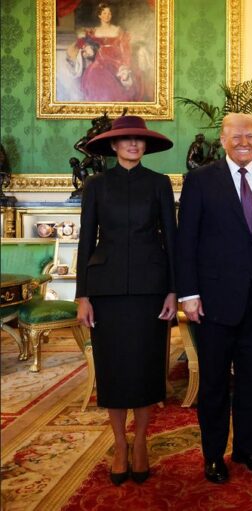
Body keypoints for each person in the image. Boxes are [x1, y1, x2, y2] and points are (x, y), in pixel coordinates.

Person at [176, 113, 252, 484]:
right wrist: (189, 295)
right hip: (213, 302)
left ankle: (248, 449)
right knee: (212, 385)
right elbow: (186, 242)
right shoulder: (200, 180)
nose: (245, 141)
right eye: (237, 135)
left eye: (251, 136)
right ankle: (214, 456)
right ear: (223, 139)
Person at [75, 115, 176, 486]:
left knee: (146, 369)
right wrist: (82, 295)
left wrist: (173, 289)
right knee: (115, 371)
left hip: (151, 289)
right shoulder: (96, 186)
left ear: (145, 146)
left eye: (139, 140)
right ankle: (120, 444)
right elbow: (86, 241)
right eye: (126, 140)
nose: (133, 145)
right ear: (114, 146)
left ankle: (141, 443)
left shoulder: (159, 184)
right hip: (106, 290)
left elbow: (172, 240)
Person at [73, 2, 147, 101]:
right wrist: (86, 48)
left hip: (116, 62)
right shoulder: (93, 31)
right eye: (104, 13)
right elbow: (82, 43)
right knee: (94, 75)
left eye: (109, 13)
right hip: (99, 62)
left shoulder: (118, 30)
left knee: (118, 87)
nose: (107, 16)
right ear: (99, 15)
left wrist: (124, 66)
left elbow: (125, 49)